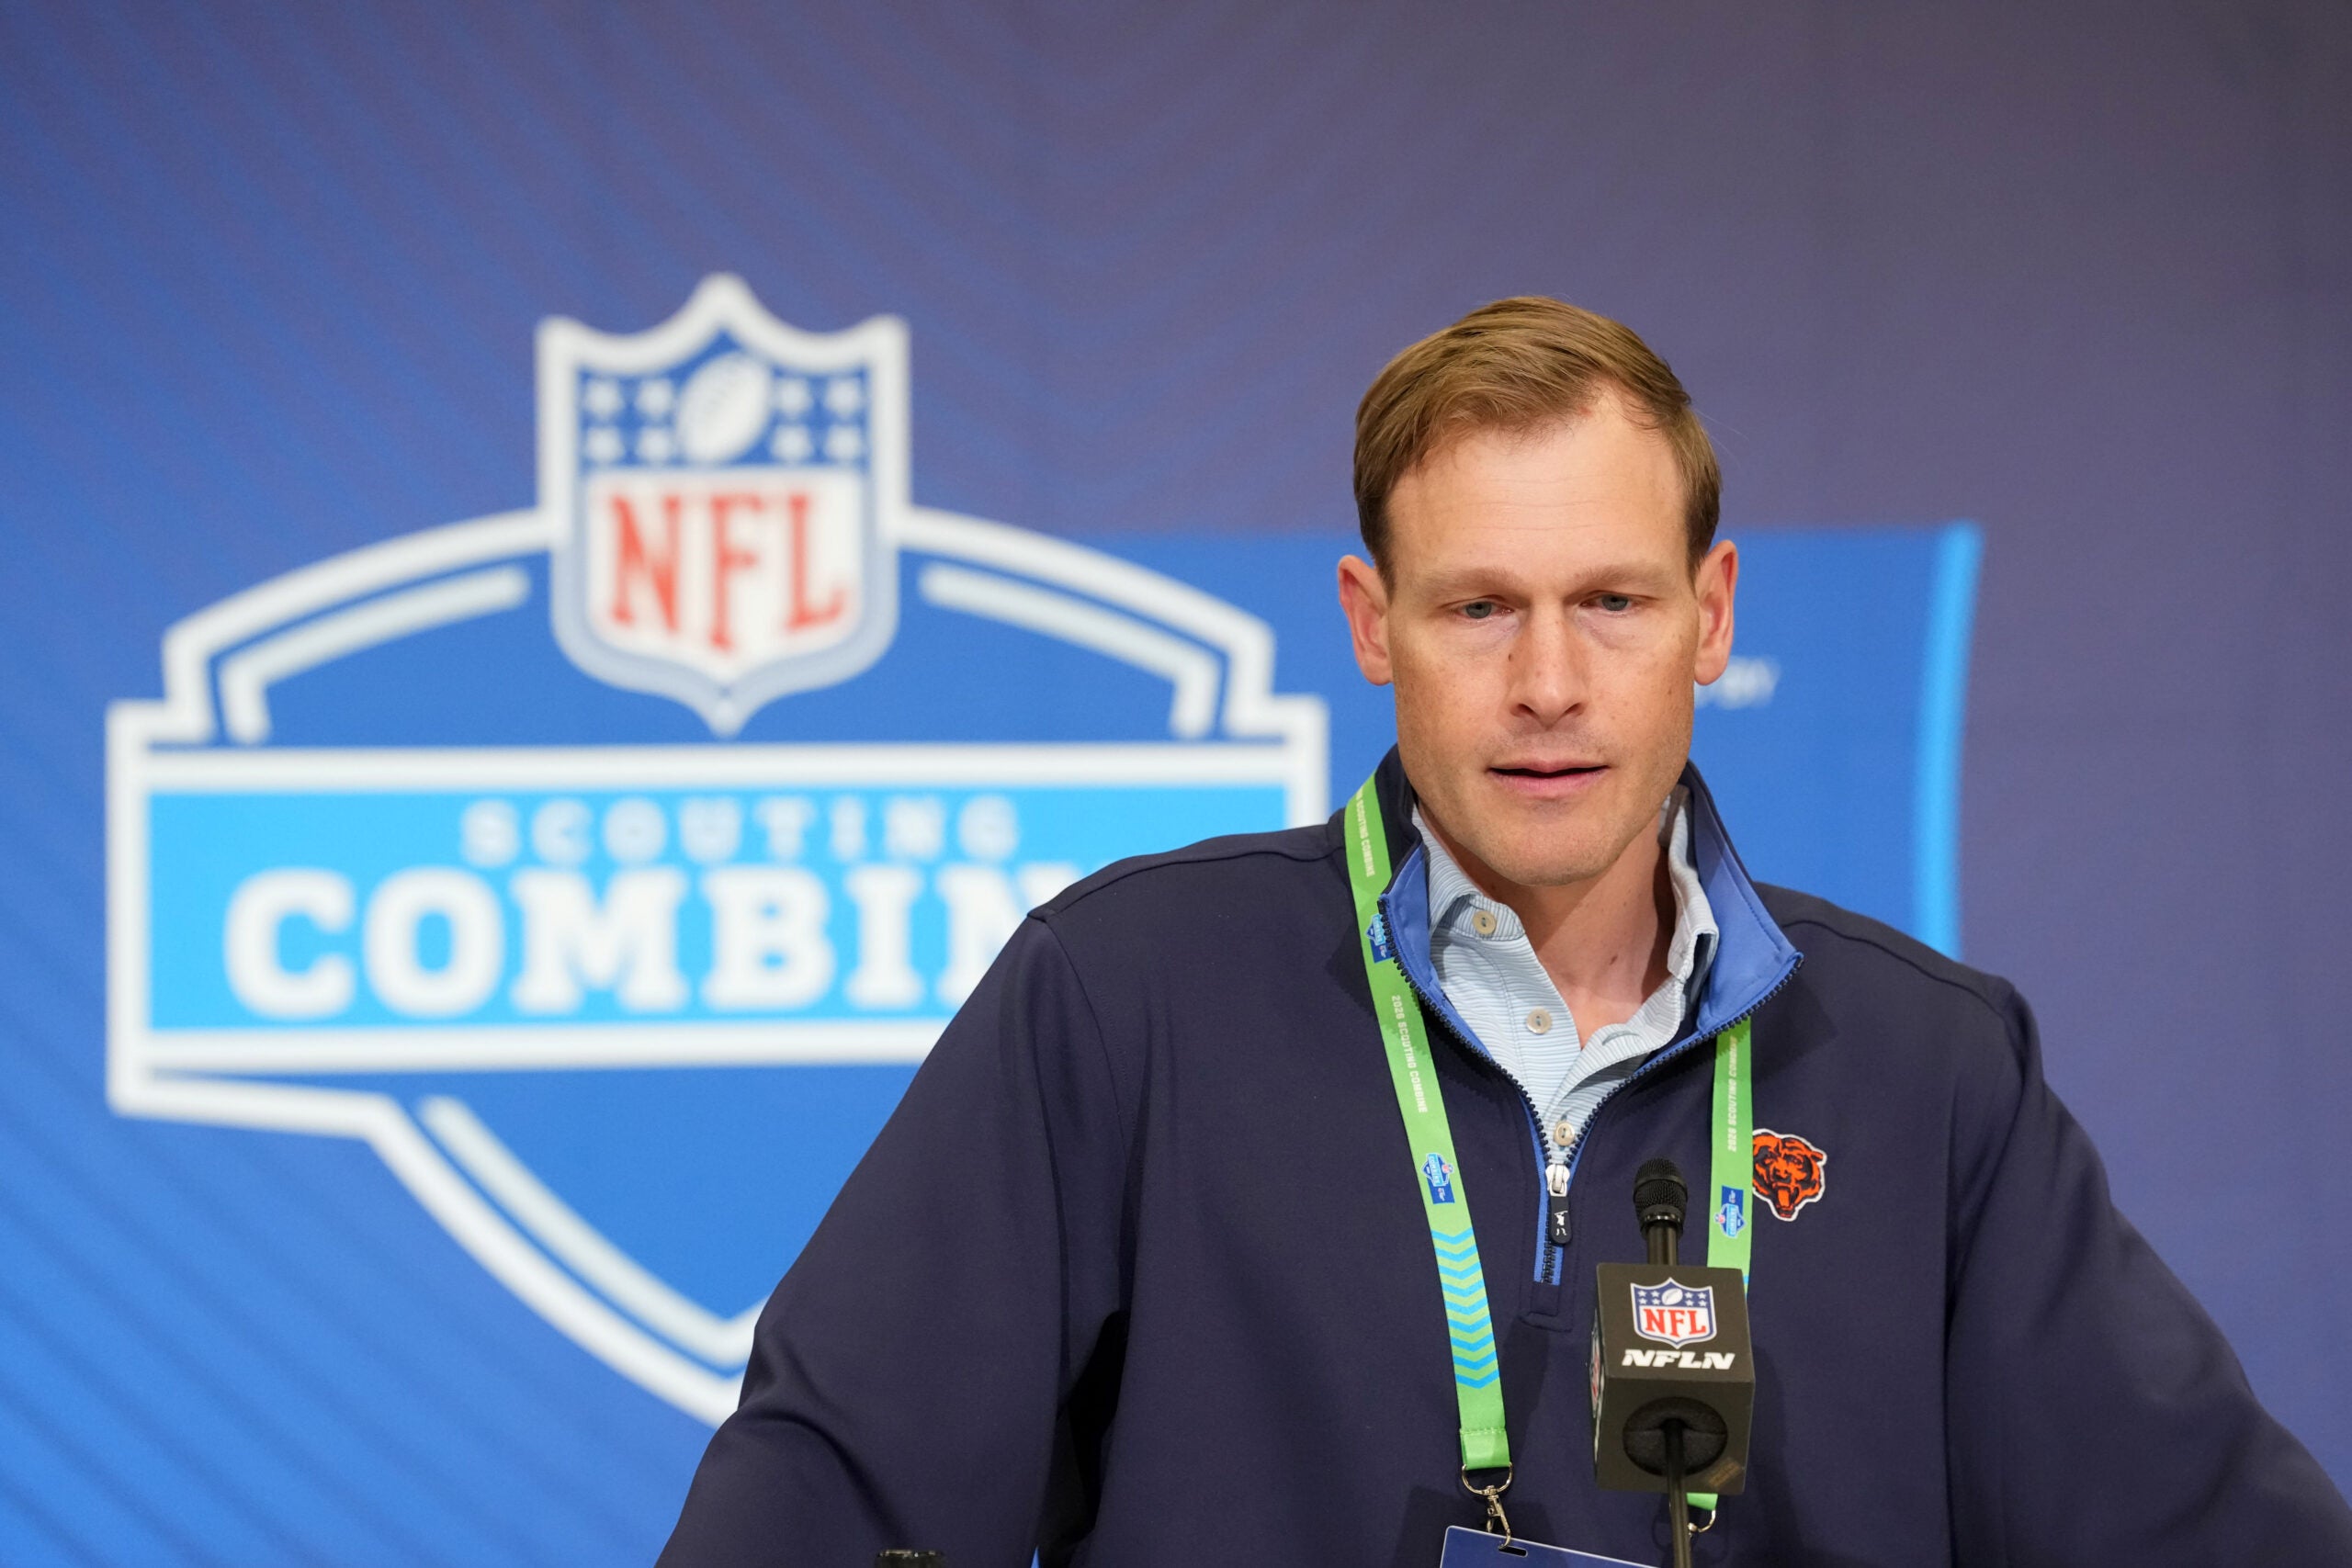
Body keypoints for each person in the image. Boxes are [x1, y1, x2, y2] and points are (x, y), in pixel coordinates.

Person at [659, 298, 2352, 1564]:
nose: (1549, 685)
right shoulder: (1123, 1001)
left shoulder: (1929, 1069)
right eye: (1480, 609)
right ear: (1370, 623)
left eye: (1611, 602)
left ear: (1713, 615)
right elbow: (820, 1503)